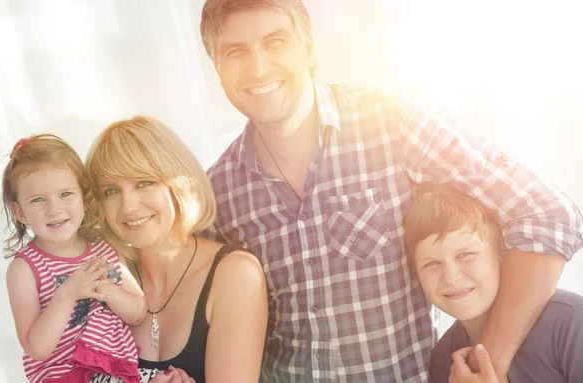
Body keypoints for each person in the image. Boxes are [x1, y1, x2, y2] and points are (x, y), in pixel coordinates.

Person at [199, 0, 583, 381]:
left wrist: (489, 363)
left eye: (275, 42)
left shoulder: (393, 122)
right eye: (236, 52)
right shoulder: (215, 191)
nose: (259, 66)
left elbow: (547, 214)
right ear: (216, 69)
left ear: (309, 49)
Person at [84, 116, 268, 383]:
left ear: (178, 184)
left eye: (144, 183)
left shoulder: (235, 275)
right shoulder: (103, 278)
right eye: (111, 191)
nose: (128, 206)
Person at [403, 183, 583, 382]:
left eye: (465, 255)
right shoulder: (445, 359)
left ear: (501, 254)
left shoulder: (572, 323)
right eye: (432, 263)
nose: (451, 277)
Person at [2, 134, 146, 383]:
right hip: (65, 376)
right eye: (38, 199)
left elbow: (137, 312)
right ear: (20, 212)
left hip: (114, 367)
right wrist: (67, 294)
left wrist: (104, 287)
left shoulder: (105, 248)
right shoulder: (25, 269)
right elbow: (36, 349)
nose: (54, 208)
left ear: (84, 198)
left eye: (65, 194)